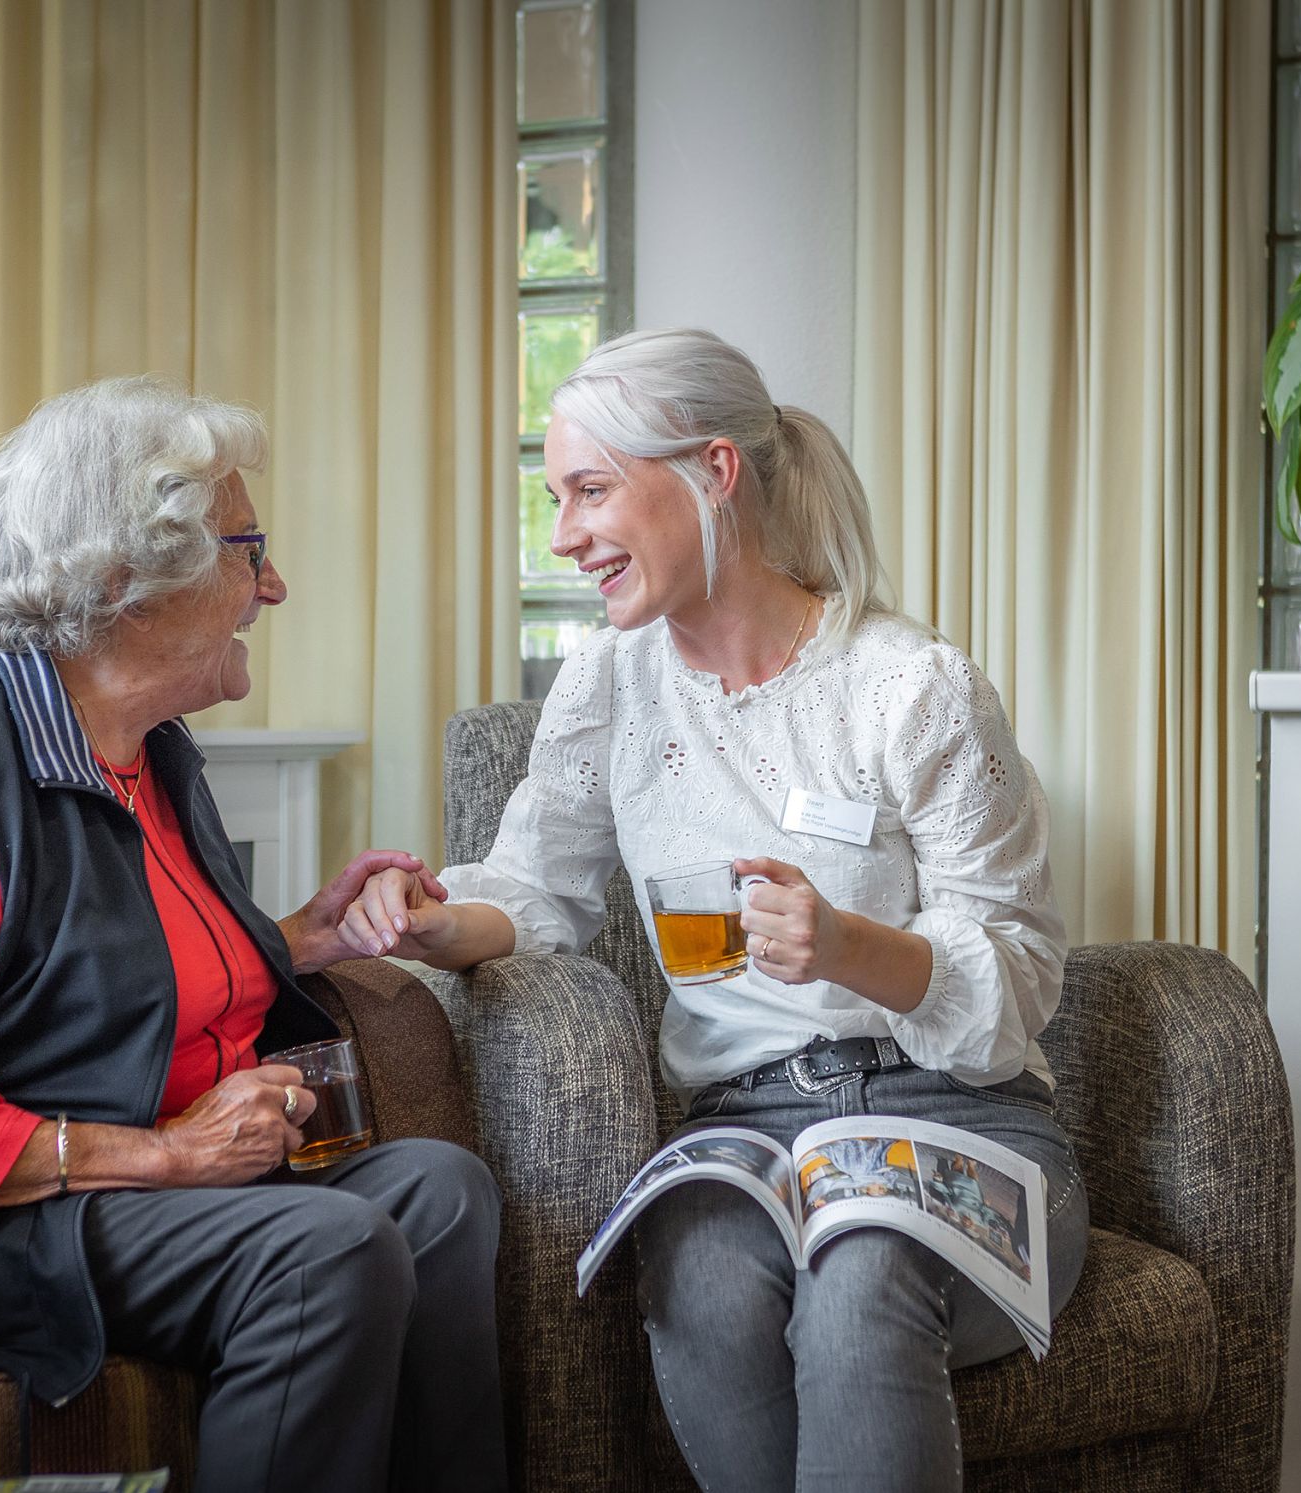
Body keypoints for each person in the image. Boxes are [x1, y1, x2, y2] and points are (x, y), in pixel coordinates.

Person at [0, 377, 506, 1493]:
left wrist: (304, 939)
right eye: (247, 548)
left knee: (439, 1190)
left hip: (116, 1188)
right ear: (124, 580)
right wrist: (169, 1154)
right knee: (324, 1250)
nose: (271, 585)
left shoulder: (141, 741)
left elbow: (105, 970)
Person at [337, 328, 1089, 1492]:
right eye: (556, 498)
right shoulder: (606, 683)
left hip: (954, 1113)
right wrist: (441, 922)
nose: (563, 534)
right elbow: (538, 885)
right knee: (699, 1274)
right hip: (741, 1128)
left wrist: (849, 945)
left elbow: (1023, 970)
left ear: (715, 471)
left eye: (591, 489)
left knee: (866, 1271)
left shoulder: (910, 686)